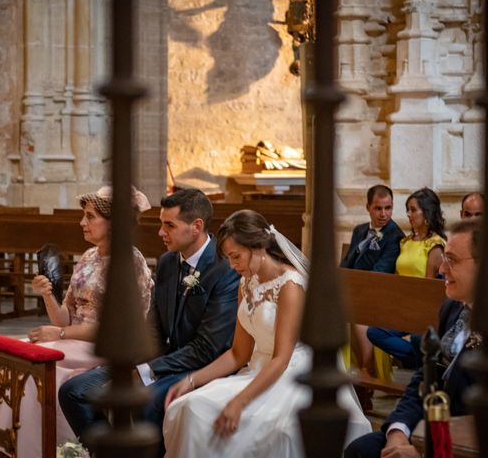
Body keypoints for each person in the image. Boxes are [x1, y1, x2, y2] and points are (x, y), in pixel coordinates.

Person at [163, 210, 372, 457]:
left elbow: (281, 359)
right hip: (256, 371)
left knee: (271, 429)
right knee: (189, 406)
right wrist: (191, 380)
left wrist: (240, 401)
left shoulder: (290, 286)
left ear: (259, 247)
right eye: (229, 258)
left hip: (292, 376)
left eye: (236, 256)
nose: (232, 265)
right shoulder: (246, 283)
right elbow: (238, 354)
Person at [345, 219, 488, 458]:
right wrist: (398, 431)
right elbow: (425, 379)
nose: (441, 269)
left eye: (452, 260)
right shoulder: (452, 307)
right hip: (439, 427)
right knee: (360, 449)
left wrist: (426, 451)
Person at [58, 188, 240, 447]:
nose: (160, 232)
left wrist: (147, 372)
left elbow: (208, 347)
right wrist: (128, 366)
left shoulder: (224, 269)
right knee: (74, 391)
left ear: (196, 226)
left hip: (199, 365)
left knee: (149, 400)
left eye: (169, 225)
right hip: (160, 358)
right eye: (160, 224)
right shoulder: (167, 262)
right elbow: (153, 330)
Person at [0, 185, 154, 457]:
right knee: (12, 354)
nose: (82, 223)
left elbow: (120, 329)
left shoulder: (131, 263)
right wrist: (47, 295)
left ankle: (42, 450)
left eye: (90, 216)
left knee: (37, 368)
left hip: (106, 346)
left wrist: (60, 334)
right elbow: (64, 315)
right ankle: (5, 445)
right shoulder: (87, 257)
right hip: (74, 338)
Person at [367, 187, 446, 369]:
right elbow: (397, 277)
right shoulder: (405, 242)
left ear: (426, 212)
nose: (409, 215)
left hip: (422, 309)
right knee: (375, 331)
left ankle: (422, 364)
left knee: (418, 337)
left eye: (413, 210)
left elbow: (431, 290)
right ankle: (420, 361)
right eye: (408, 210)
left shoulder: (435, 246)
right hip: (401, 305)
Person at [340, 185, 404, 377]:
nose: (384, 214)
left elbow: (381, 272)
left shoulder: (395, 235)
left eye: (388, 208)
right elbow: (347, 263)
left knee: (360, 320)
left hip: (378, 292)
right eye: (378, 208)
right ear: (368, 206)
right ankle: (342, 370)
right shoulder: (360, 231)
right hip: (355, 289)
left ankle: (366, 372)